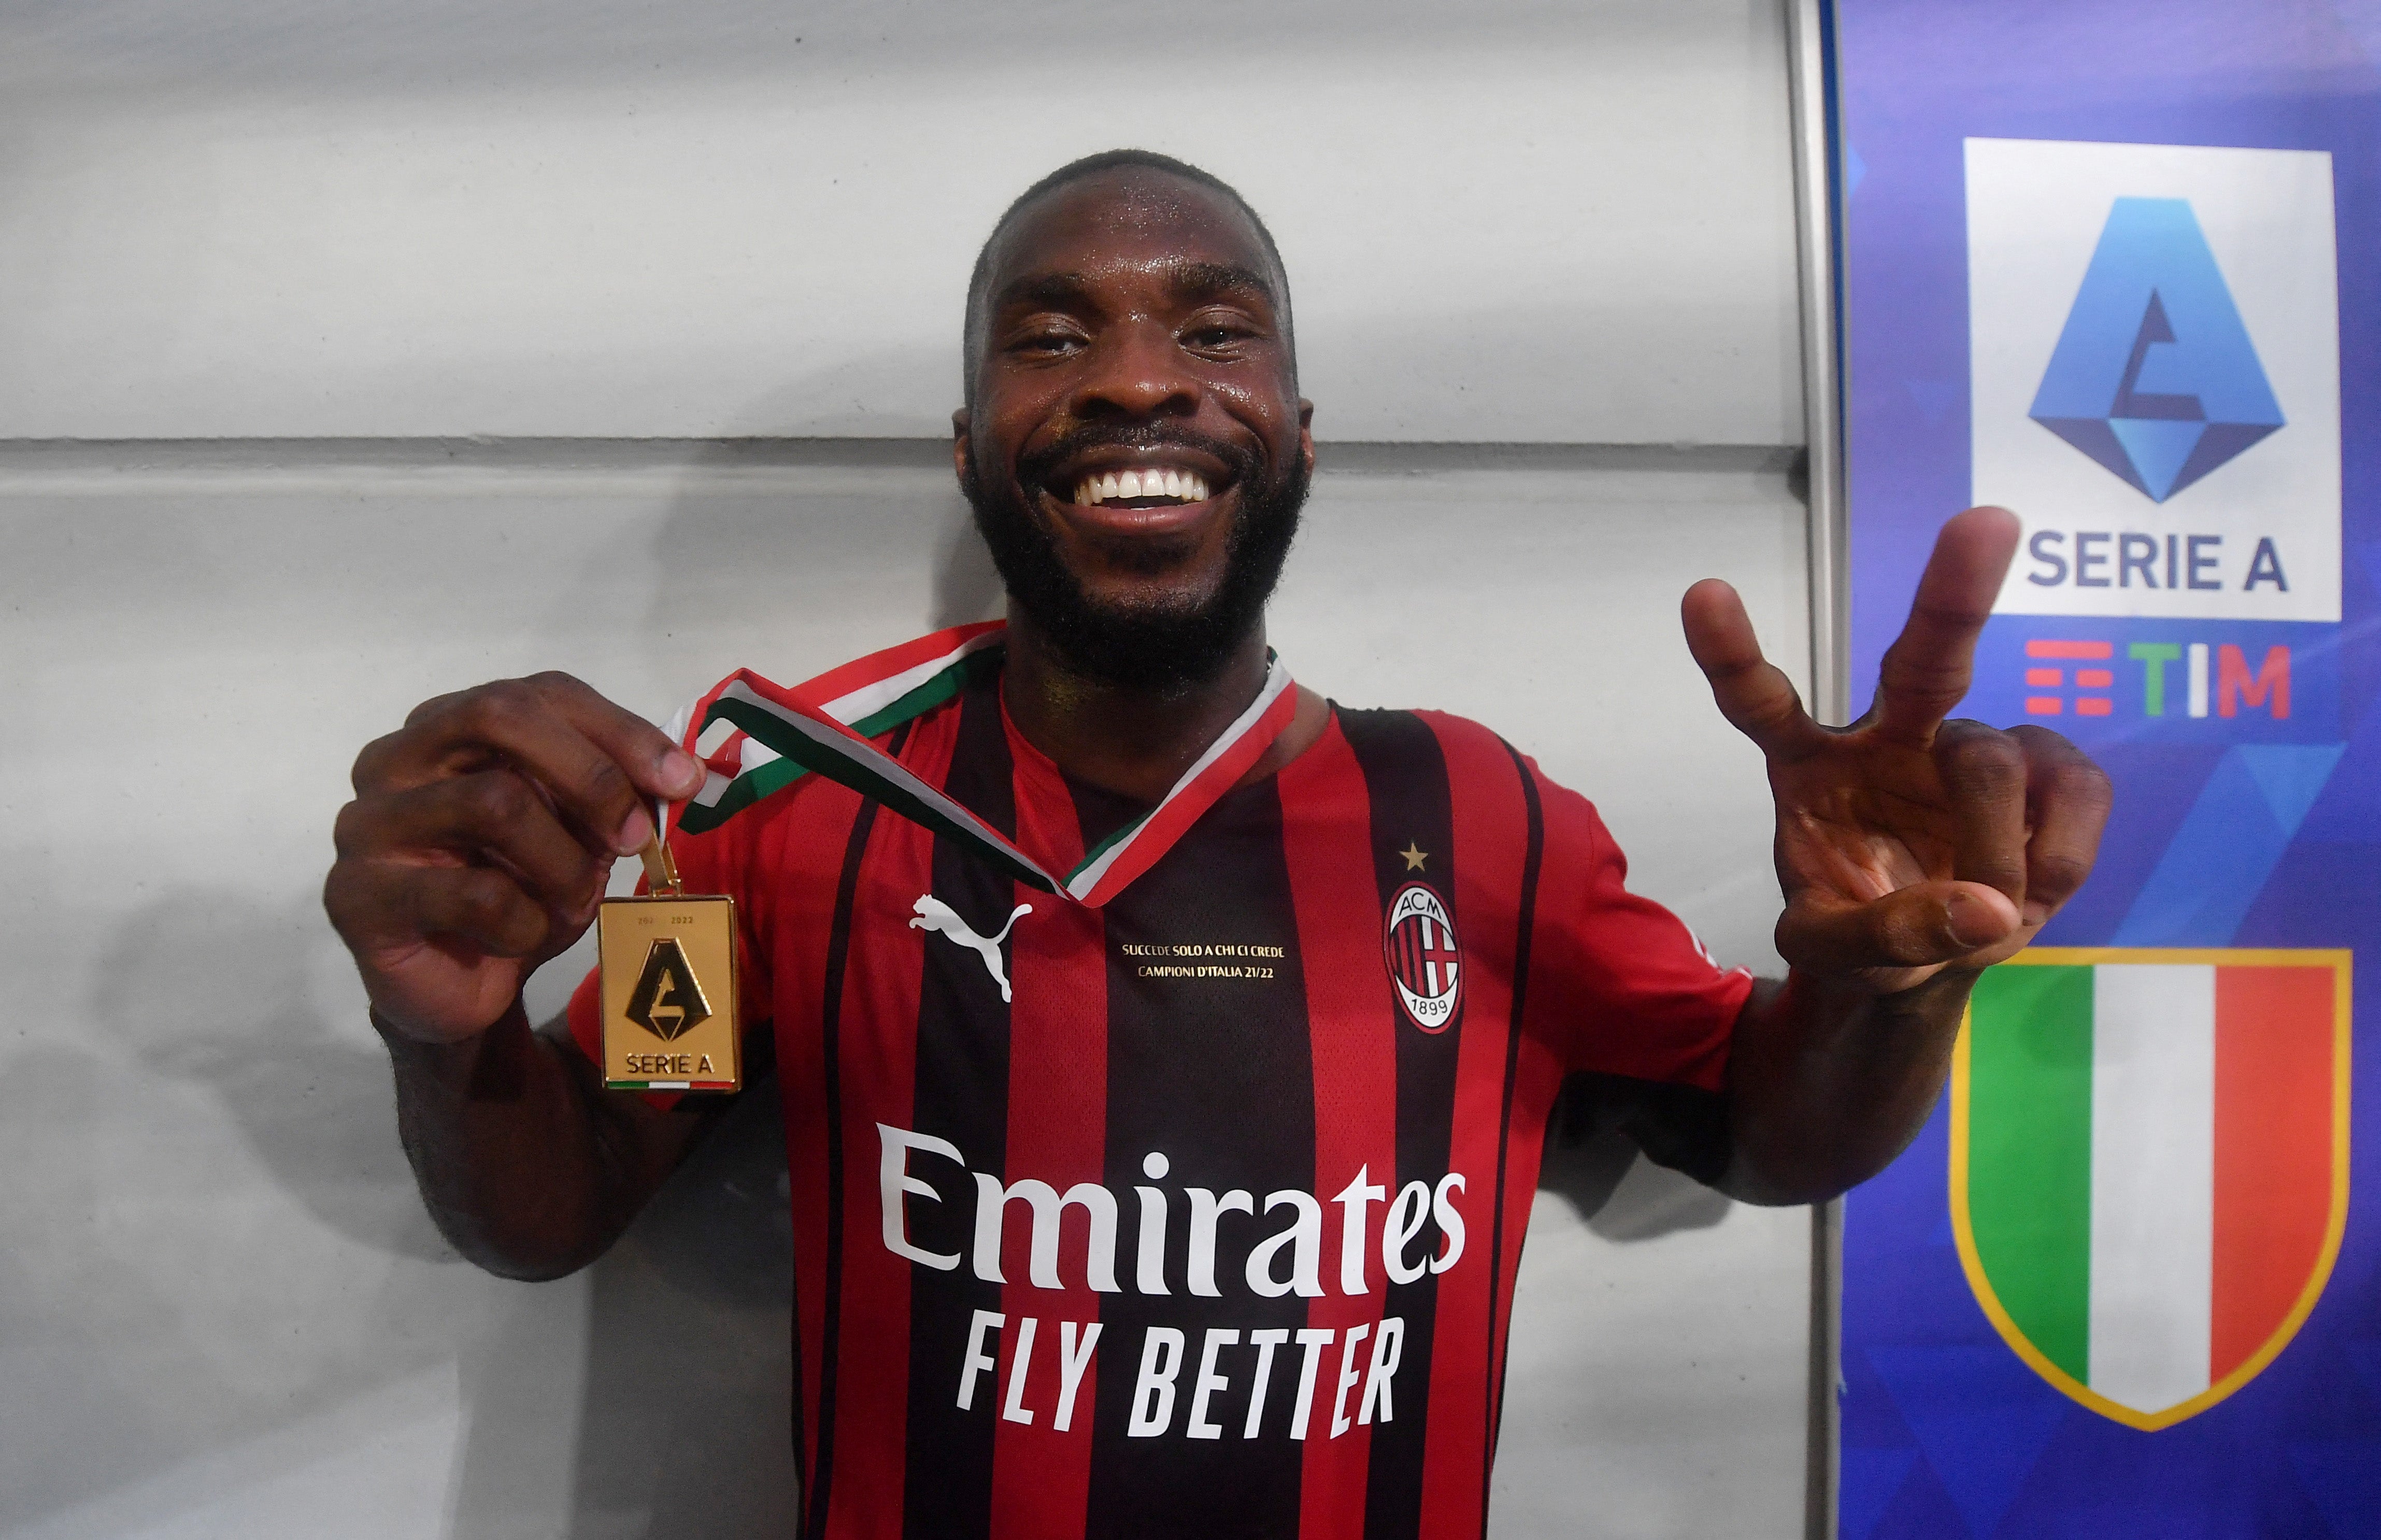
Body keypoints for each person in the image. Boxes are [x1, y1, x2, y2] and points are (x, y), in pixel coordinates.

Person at [324, 150, 2111, 1537]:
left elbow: (1768, 1134)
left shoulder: (1480, 813)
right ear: (969, 453)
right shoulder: (776, 811)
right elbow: (556, 1209)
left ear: (1298, 440)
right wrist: (450, 1026)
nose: (1131, 382)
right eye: (1050, 335)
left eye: (1212, 327)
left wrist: (1897, 983)